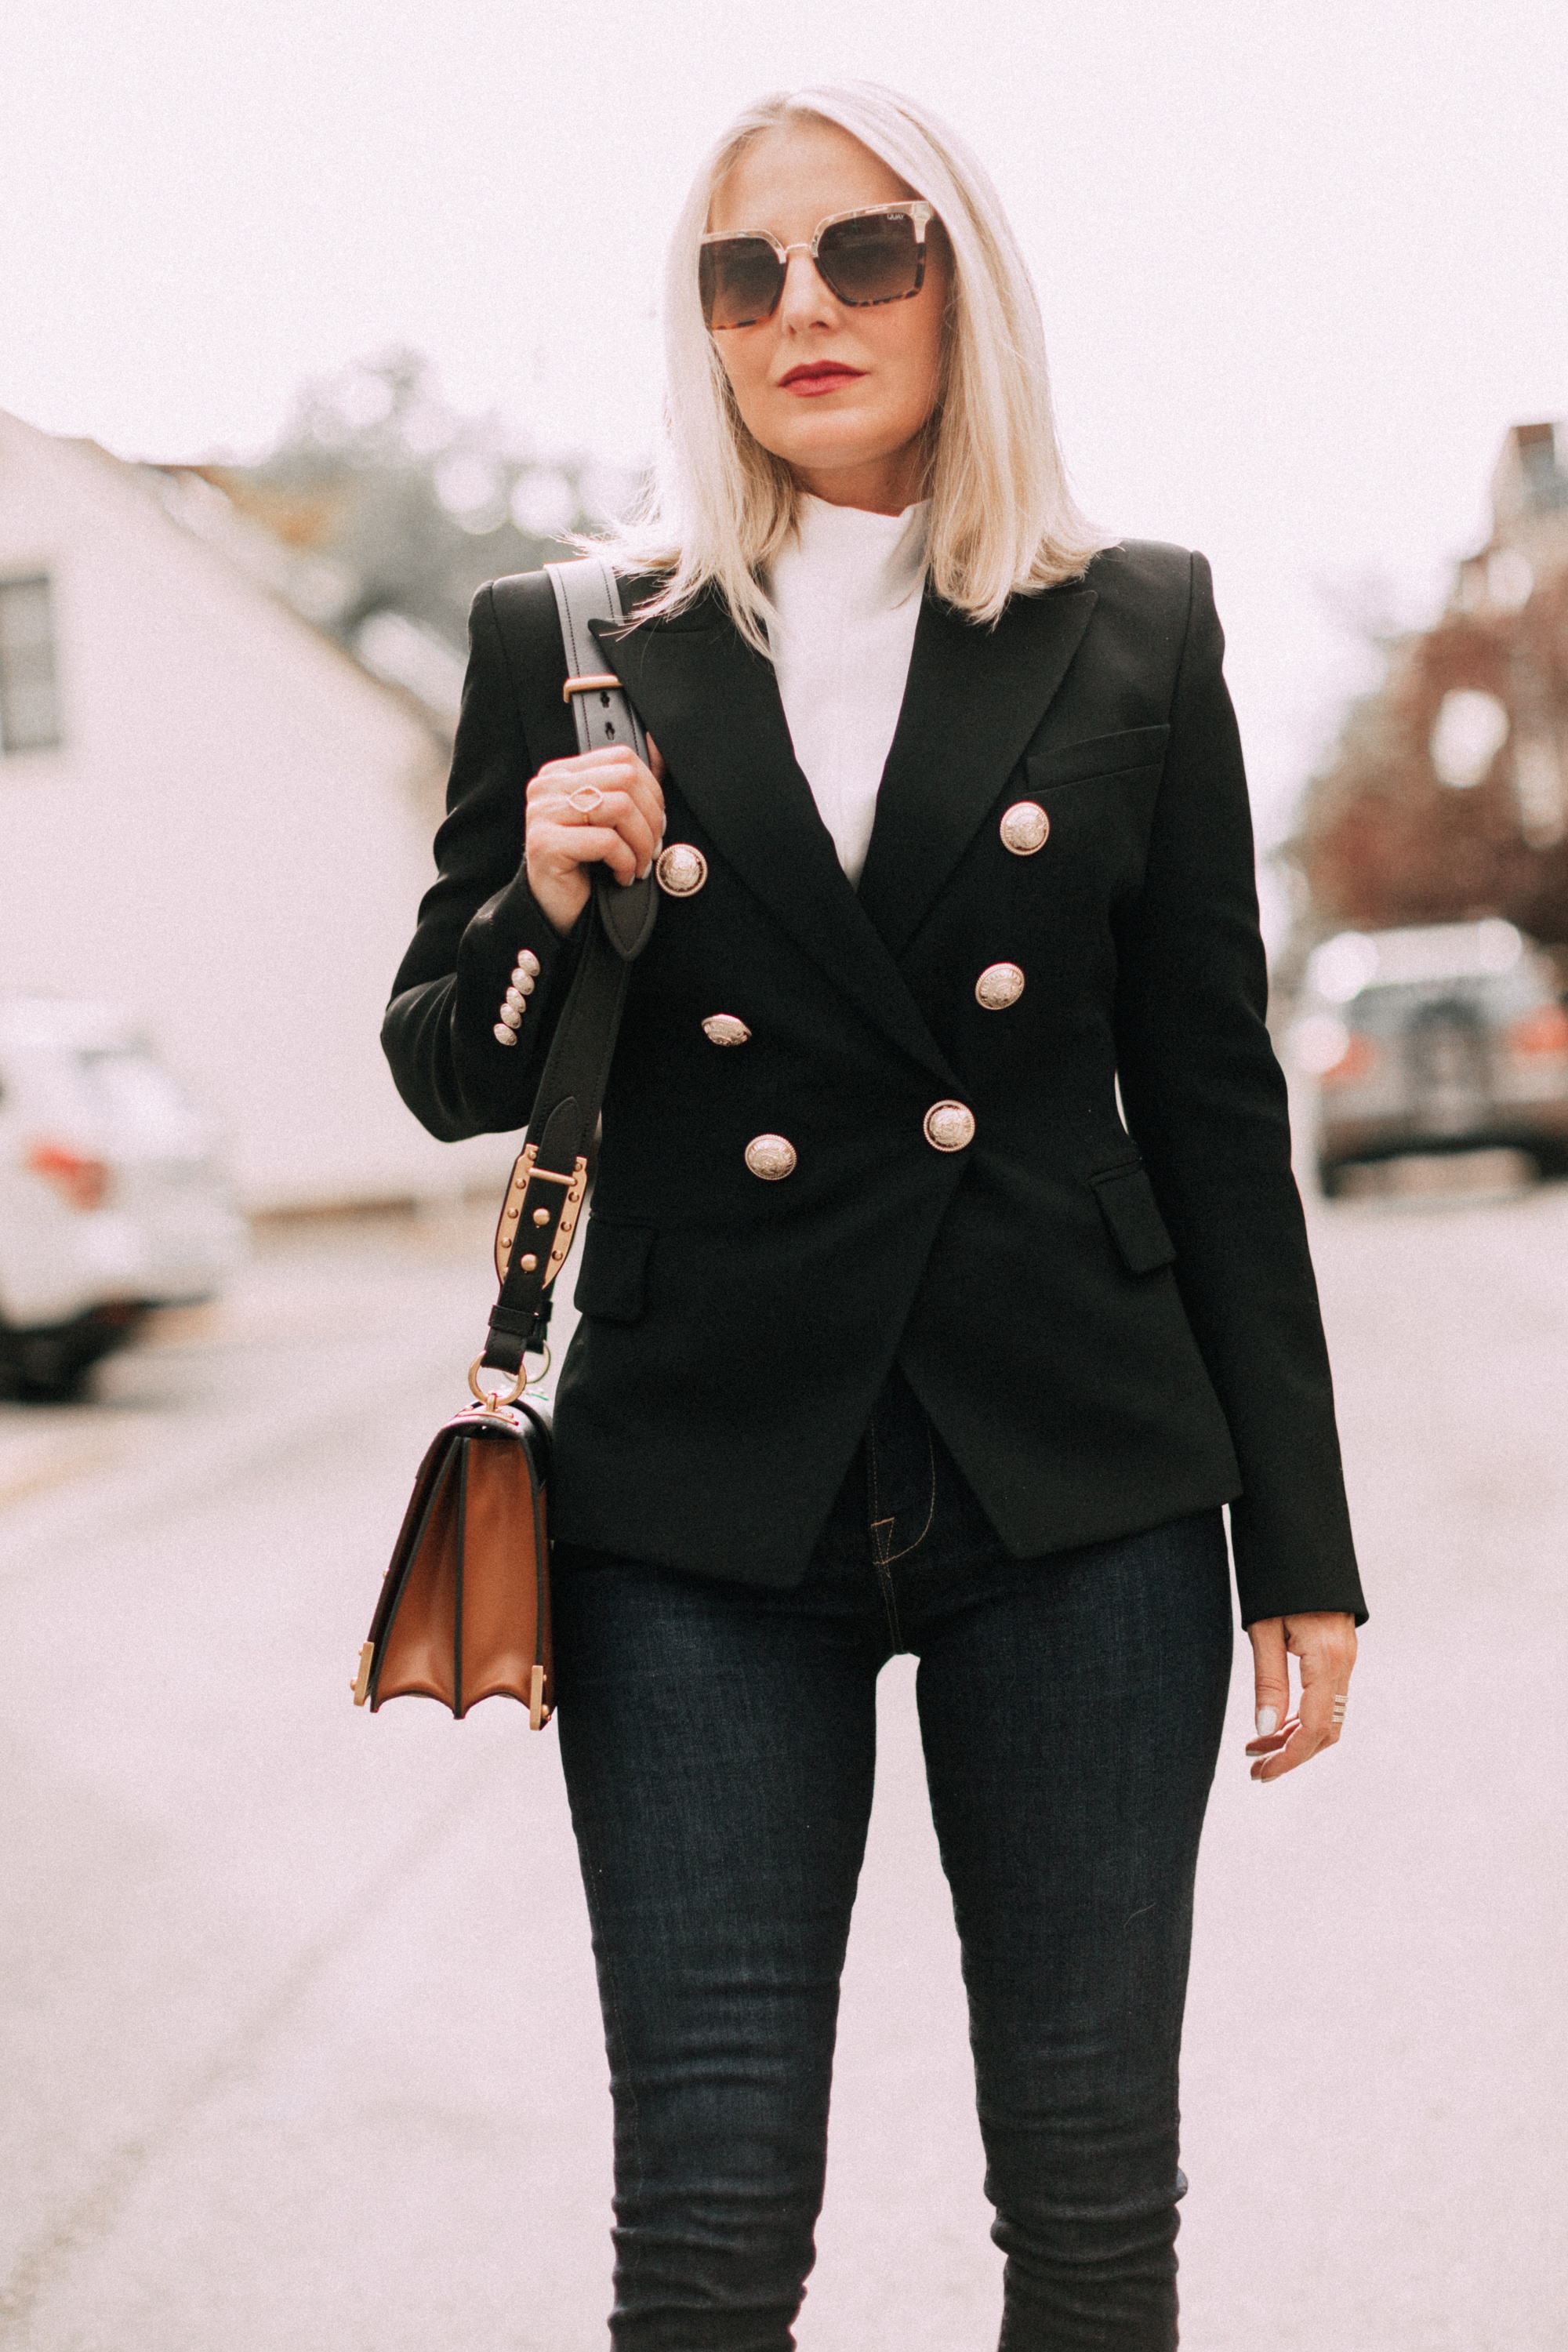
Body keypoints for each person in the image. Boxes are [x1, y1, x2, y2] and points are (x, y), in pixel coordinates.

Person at [383, 78, 1364, 2352]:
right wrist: (541, 897)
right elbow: (445, 1066)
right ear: (704, 326)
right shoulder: (574, 636)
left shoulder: (1132, 624)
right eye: (750, 274)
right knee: (712, 2235)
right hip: (706, 1502)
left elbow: (1214, 1105)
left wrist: (1299, 1546)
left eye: (864, 252)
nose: (805, 308)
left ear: (962, 281)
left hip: (1078, 1485)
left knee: (1095, 2211)